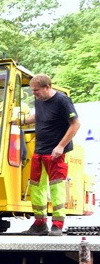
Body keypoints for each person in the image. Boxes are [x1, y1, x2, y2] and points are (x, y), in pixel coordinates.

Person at [20, 74, 81, 236]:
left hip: (56, 153)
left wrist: (60, 146)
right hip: (40, 151)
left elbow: (76, 124)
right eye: (33, 91)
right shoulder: (39, 100)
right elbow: (38, 116)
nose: (34, 94)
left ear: (47, 87)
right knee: (36, 186)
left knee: (56, 187)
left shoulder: (62, 101)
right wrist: (21, 120)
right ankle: (40, 223)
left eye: (36, 90)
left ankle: (57, 225)